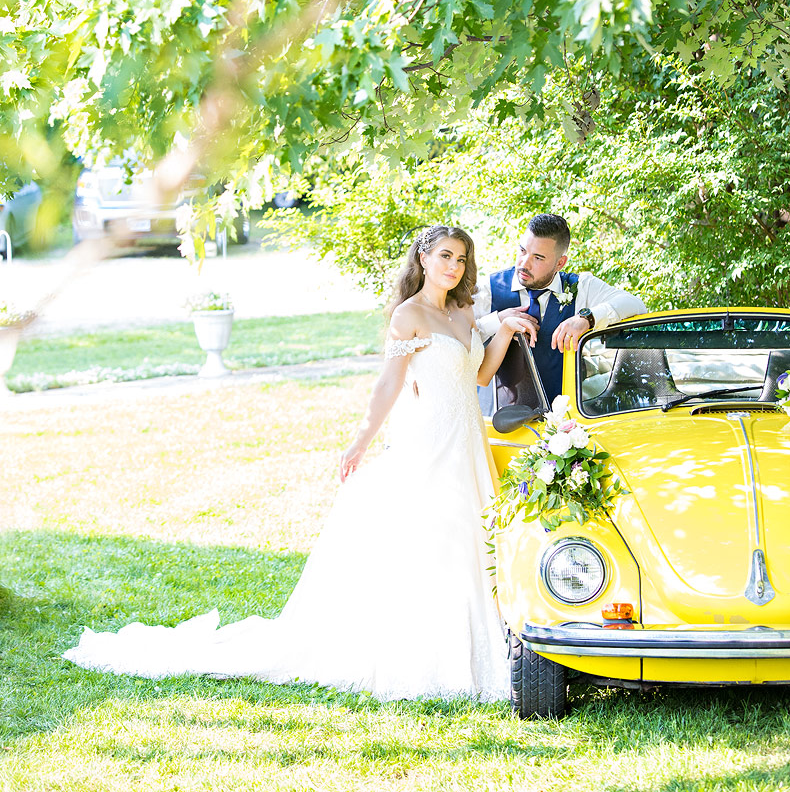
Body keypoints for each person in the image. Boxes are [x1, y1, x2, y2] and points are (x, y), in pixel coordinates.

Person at [63, 225, 532, 702]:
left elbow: (479, 372)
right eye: (446, 256)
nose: (454, 266)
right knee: (438, 536)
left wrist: (506, 330)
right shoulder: (408, 316)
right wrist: (360, 441)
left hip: (466, 438)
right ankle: (428, 658)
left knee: (472, 537)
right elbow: (388, 386)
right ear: (424, 257)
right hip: (430, 441)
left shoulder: (463, 311)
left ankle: (475, 648)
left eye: (461, 259)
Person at [474, 213, 646, 411]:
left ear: (560, 263)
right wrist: (497, 320)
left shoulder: (582, 287)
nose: (524, 263)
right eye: (522, 250)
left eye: (538, 257)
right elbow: (458, 340)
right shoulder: (487, 290)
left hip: (566, 425)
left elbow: (635, 304)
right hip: (502, 425)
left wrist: (587, 318)